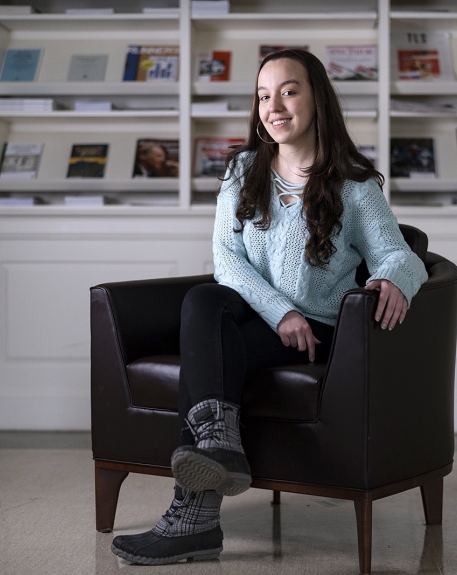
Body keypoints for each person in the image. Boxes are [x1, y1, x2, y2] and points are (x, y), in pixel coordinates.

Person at [110, 49, 428, 566]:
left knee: (207, 351)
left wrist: (394, 278)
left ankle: (193, 520)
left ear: (316, 98)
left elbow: (396, 253)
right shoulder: (242, 171)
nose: (273, 106)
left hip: (318, 332)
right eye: (263, 95)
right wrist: (281, 311)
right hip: (262, 319)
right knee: (204, 299)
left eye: (288, 90)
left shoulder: (354, 185)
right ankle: (219, 440)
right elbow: (226, 260)